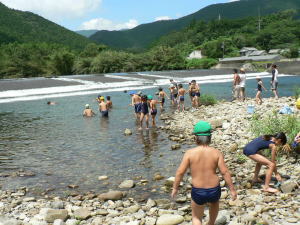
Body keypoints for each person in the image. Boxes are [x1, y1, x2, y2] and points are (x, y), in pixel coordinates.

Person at [171, 121, 237, 225]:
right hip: (214, 190)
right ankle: (211, 222)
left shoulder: (189, 153)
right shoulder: (216, 153)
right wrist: (232, 189)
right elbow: (224, 172)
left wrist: (175, 188)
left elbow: (180, 172)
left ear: (195, 138)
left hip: (198, 191)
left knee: (196, 217)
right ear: (210, 137)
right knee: (214, 204)